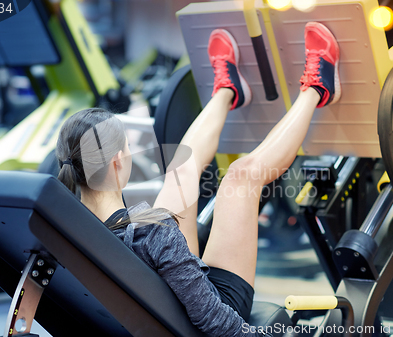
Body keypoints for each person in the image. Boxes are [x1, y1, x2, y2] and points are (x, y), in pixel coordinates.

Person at [55, 22, 340, 337]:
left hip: (174, 301)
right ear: (118, 162)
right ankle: (318, 86)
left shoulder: (66, 230)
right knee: (242, 176)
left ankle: (228, 90)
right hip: (212, 311)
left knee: (182, 168)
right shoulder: (152, 232)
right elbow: (217, 324)